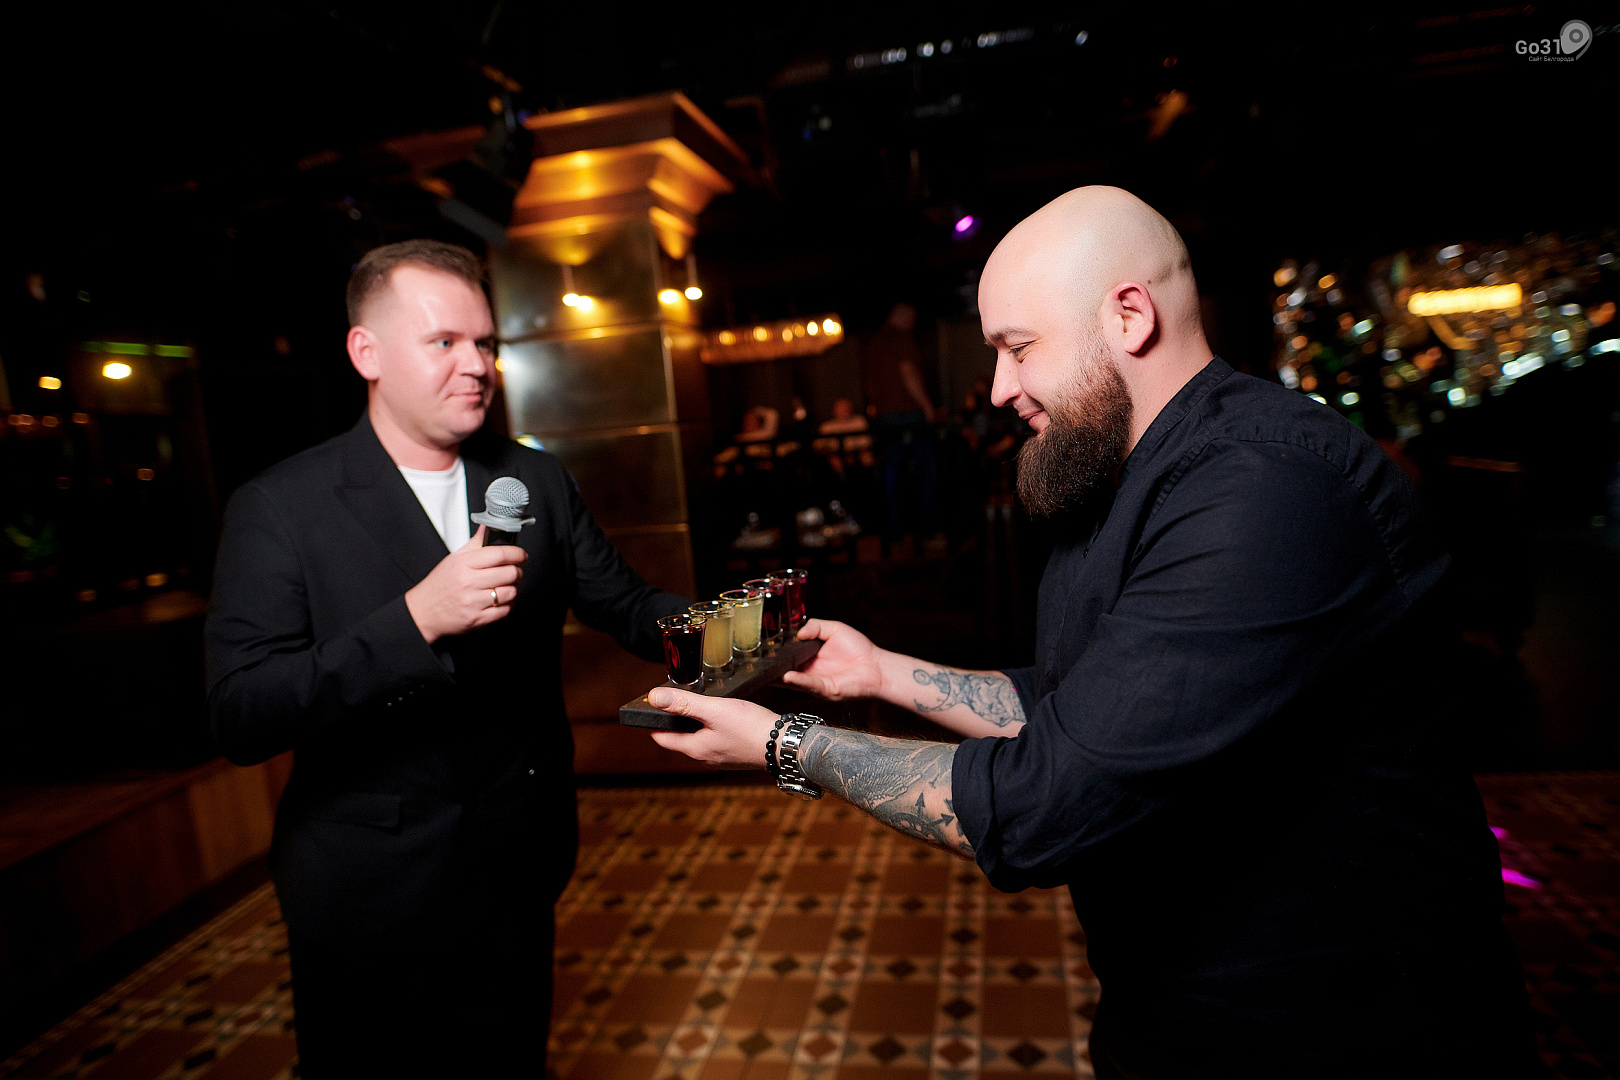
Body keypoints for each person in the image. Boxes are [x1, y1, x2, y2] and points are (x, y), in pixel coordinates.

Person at [644, 188, 1539, 1078]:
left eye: (1019, 348)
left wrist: (783, 745)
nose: (1001, 387)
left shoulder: (1266, 488)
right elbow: (1078, 704)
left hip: (1342, 1039)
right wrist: (882, 673)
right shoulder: (1123, 474)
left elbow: (1042, 803)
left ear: (1129, 316)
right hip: (1172, 1013)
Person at [204, 240, 689, 1077]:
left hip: (517, 865)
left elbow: (629, 605)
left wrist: (753, 631)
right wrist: (416, 620)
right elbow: (241, 712)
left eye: (486, 343)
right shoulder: (281, 506)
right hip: (368, 893)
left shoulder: (533, 480)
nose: (477, 365)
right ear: (367, 353)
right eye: (445, 342)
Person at [862, 302, 940, 540]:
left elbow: (870, 386)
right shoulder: (901, 339)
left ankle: (895, 532)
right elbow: (909, 374)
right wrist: (927, 407)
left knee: (892, 473)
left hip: (885, 416)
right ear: (901, 316)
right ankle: (928, 530)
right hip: (908, 414)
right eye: (911, 319)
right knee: (926, 472)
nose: (913, 324)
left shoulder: (873, 344)